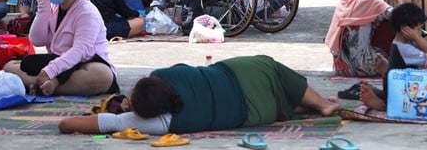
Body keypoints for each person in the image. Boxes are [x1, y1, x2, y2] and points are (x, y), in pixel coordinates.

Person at [58, 55, 341, 135]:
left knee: (277, 106)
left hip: (251, 109)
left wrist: (65, 124)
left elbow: (73, 124)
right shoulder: (161, 76)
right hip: (235, 74)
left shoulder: (155, 122)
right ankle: (321, 104)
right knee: (271, 68)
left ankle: (315, 106)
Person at [3, 0, 118, 96]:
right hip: (58, 60)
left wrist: (50, 71)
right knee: (9, 67)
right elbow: (37, 39)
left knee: (102, 75)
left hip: (84, 63)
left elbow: (80, 51)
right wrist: (43, 4)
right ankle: (45, 84)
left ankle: (44, 84)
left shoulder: (87, 12)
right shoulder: (54, 6)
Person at [360, 2, 427, 112]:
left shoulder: (397, 43)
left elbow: (417, 49)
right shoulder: (405, 49)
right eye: (418, 30)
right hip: (401, 93)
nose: (419, 33)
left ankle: (382, 94)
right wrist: (418, 38)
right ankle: (383, 105)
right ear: (406, 29)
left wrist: (422, 41)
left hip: (393, 86)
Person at [325, 0, 394, 77]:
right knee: (391, 25)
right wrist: (402, 4)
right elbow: (397, 15)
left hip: (343, 67)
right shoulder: (370, 0)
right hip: (366, 66)